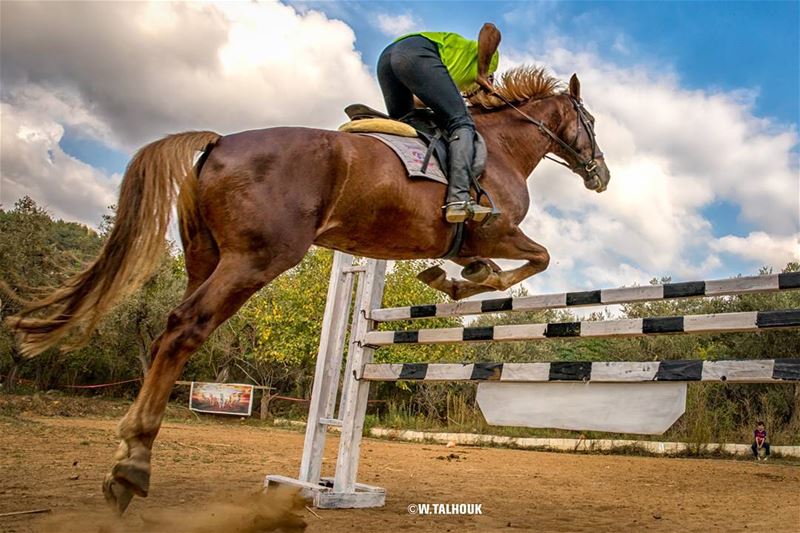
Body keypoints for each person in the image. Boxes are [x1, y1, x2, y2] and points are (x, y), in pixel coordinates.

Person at [377, 24, 501, 223]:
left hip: (387, 59)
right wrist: (483, 73)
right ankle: (459, 199)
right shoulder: (487, 63)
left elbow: (420, 101)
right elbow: (490, 30)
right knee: (462, 122)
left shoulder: (446, 77)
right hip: (418, 51)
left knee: (409, 121)